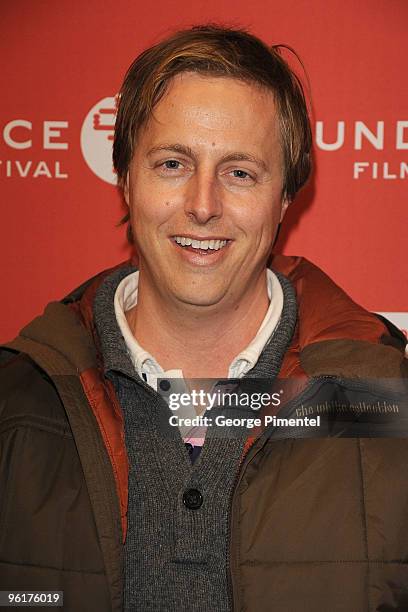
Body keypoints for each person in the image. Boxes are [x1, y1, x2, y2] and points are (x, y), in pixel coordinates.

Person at [0, 25, 407, 612]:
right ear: (125, 180)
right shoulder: (18, 401)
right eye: (172, 163)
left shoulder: (387, 403)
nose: (203, 204)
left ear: (285, 199)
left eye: (240, 172)